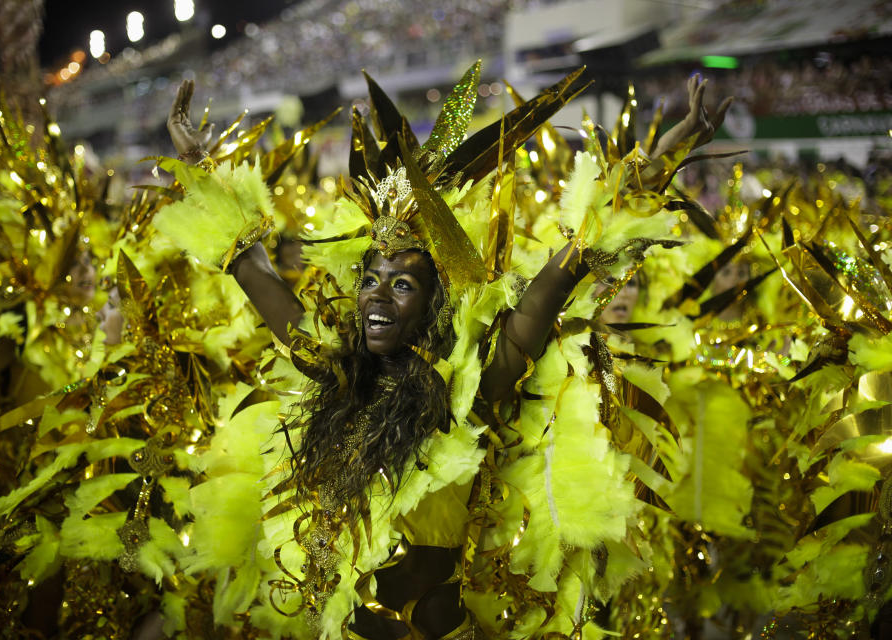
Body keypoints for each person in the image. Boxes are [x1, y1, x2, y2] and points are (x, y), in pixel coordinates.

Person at [163, 65, 732, 638]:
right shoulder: (333, 372)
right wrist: (202, 169)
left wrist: (651, 170)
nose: (376, 297)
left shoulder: (467, 392)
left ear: (433, 304)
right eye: (371, 279)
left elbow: (559, 279)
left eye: (402, 284)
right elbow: (250, 267)